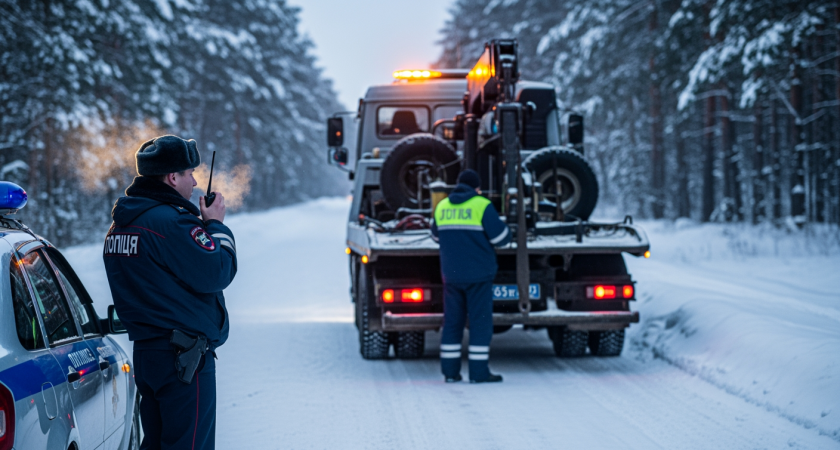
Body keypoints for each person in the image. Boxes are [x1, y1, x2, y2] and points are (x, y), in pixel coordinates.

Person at [103, 135, 237, 449]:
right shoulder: (172, 224)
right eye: (189, 173)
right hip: (184, 360)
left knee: (156, 443)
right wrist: (216, 225)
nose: (194, 181)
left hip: (149, 356)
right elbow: (218, 270)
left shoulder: (120, 227)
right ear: (172, 177)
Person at [431, 169, 511, 383]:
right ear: (476, 188)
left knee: (452, 324)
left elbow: (435, 235)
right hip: (478, 276)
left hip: (451, 276)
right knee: (480, 324)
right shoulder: (481, 205)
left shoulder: (442, 206)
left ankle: (450, 373)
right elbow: (501, 238)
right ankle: (478, 373)